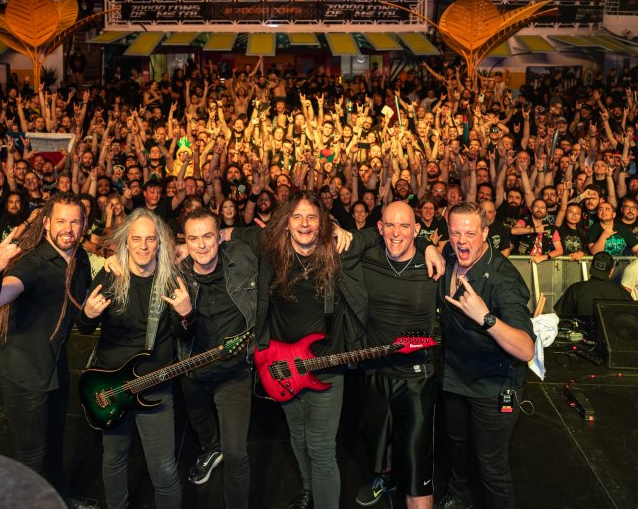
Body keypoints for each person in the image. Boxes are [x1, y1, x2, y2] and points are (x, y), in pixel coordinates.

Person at [227, 190, 441, 509]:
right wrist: (192, 243)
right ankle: (307, 488)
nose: (304, 223)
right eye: (297, 216)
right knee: (297, 439)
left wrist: (428, 244)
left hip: (327, 367)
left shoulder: (336, 251)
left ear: (323, 223)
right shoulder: (270, 247)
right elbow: (233, 232)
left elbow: (380, 234)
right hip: (280, 365)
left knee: (322, 449)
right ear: (285, 222)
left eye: (312, 217)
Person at [0, 192, 99, 509]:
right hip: (25, 373)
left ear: (84, 225)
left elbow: (81, 313)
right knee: (31, 459)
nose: (67, 228)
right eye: (60, 220)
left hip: (55, 368)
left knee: (55, 447)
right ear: (46, 224)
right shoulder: (33, 265)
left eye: (74, 221)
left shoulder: (81, 259)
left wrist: (91, 312)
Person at [79, 208, 188, 509]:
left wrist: (187, 315)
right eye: (136, 239)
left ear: (159, 243)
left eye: (150, 239)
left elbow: (184, 334)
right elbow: (84, 325)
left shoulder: (170, 279)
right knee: (114, 460)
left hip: (156, 386)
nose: (143, 245)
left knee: (164, 469)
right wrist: (87, 316)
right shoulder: (111, 275)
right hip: (111, 388)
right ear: (126, 242)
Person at [438, 201, 535, 509]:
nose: (462, 240)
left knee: (490, 464)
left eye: (470, 233)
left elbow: (525, 348)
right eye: (455, 233)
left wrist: (486, 318)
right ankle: (460, 497)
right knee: (458, 447)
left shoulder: (504, 279)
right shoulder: (449, 257)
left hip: (495, 385)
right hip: (456, 376)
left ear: (485, 234)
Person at [355, 201, 439, 509]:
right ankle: (385, 476)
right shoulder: (365, 258)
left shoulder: (433, 266)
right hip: (373, 369)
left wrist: (429, 246)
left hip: (415, 377)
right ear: (379, 228)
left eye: (405, 226)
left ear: (417, 230)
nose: (396, 233)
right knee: (379, 441)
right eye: (389, 225)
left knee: (417, 460)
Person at [176, 207, 256, 509]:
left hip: (234, 373)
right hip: (192, 369)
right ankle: (210, 448)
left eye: (208, 236)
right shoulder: (178, 274)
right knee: (202, 425)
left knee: (236, 452)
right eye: (193, 238)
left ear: (219, 237)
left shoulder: (243, 259)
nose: (201, 245)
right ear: (185, 240)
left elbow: (267, 237)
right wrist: (184, 315)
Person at [553, 251, 632, 327]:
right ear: (611, 271)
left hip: (582, 337)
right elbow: (630, 320)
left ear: (591, 266)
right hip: (611, 339)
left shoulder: (575, 289)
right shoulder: (622, 293)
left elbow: (562, 318)